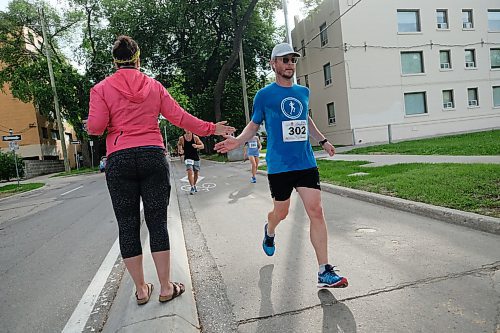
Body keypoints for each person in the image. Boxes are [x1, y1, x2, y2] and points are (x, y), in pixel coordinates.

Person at [86, 35, 235, 305]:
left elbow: (96, 127)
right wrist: (212, 128)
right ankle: (166, 287)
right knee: (157, 223)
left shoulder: (101, 89)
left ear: (114, 61)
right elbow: (179, 117)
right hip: (152, 155)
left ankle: (142, 290)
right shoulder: (154, 87)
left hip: (119, 159)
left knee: (127, 226)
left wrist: (103, 123)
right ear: (138, 58)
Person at [215, 43, 348, 288]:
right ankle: (270, 228)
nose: (290, 64)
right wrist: (237, 141)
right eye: (284, 60)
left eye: (293, 60)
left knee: (316, 211)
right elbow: (254, 125)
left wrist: (323, 140)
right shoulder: (264, 95)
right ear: (273, 64)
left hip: (305, 162)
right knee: (281, 213)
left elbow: (305, 119)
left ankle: (324, 271)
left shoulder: (303, 92)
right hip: (279, 166)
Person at [177, 130, 203, 195]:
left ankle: (194, 185)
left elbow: (202, 146)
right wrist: (180, 150)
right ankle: (192, 187)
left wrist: (197, 146)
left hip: (195, 157)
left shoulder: (195, 137)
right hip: (188, 157)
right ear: (184, 129)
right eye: (186, 128)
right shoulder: (182, 138)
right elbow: (179, 145)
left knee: (196, 172)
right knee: (189, 170)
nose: (187, 130)